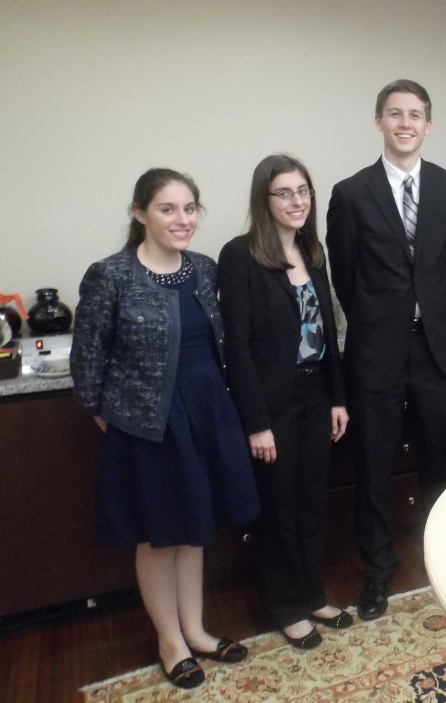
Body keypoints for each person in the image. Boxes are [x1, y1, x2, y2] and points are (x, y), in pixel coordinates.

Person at [70, 169, 260, 690]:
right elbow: (87, 364)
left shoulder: (203, 268)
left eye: (190, 208)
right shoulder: (110, 275)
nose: (183, 219)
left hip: (205, 411)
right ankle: (169, 641)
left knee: (195, 527)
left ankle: (195, 630)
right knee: (160, 535)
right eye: (168, 209)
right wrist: (113, 421)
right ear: (139, 214)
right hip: (146, 423)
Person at [326, 79, 446, 619]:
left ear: (428, 125)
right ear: (378, 121)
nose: (405, 123)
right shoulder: (351, 193)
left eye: (415, 115)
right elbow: (344, 273)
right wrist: (379, 321)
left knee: (440, 462)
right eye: (394, 113)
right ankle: (378, 572)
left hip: (436, 351)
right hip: (375, 353)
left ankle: (442, 565)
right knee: (374, 466)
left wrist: (439, 319)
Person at [218, 155, 350, 650]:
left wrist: (338, 398)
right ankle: (285, 605)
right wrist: (256, 423)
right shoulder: (240, 256)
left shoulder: (313, 253)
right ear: (264, 200)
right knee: (280, 505)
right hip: (273, 403)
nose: (297, 201)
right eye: (284, 193)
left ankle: (311, 592)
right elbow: (239, 347)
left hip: (317, 395)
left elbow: (328, 335)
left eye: (303, 191)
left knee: (313, 499)